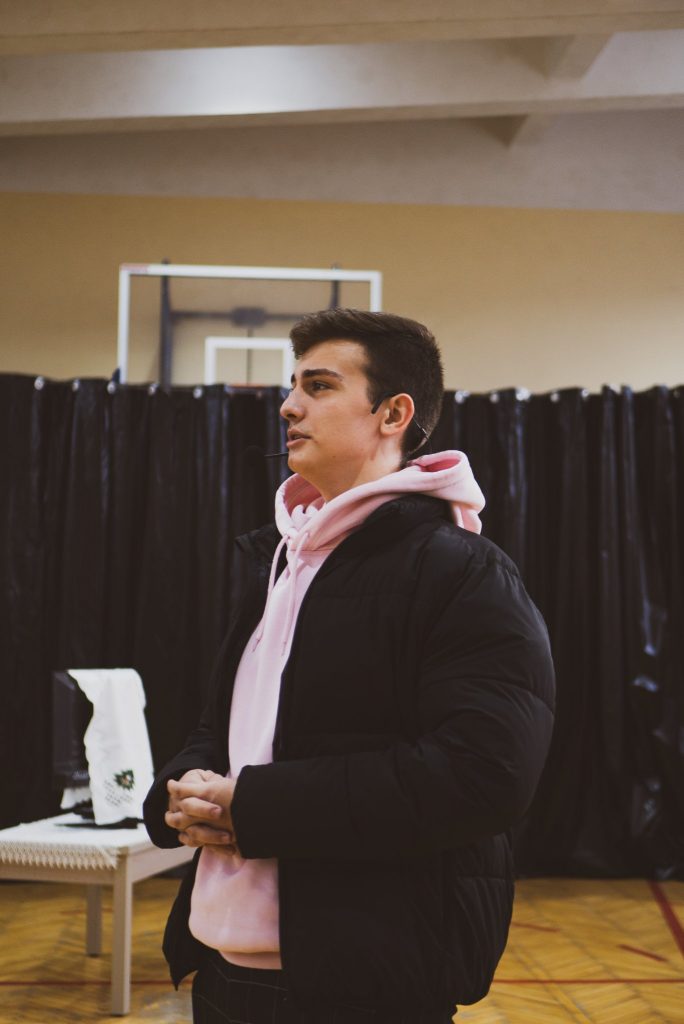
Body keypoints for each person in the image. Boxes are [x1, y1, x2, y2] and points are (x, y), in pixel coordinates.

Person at [143, 308, 555, 1024]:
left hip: (365, 979)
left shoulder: (463, 570)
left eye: (319, 385)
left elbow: (484, 774)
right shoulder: (280, 563)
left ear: (392, 414)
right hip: (220, 968)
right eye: (292, 385)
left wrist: (254, 807)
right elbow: (223, 731)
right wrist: (182, 794)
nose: (288, 405)